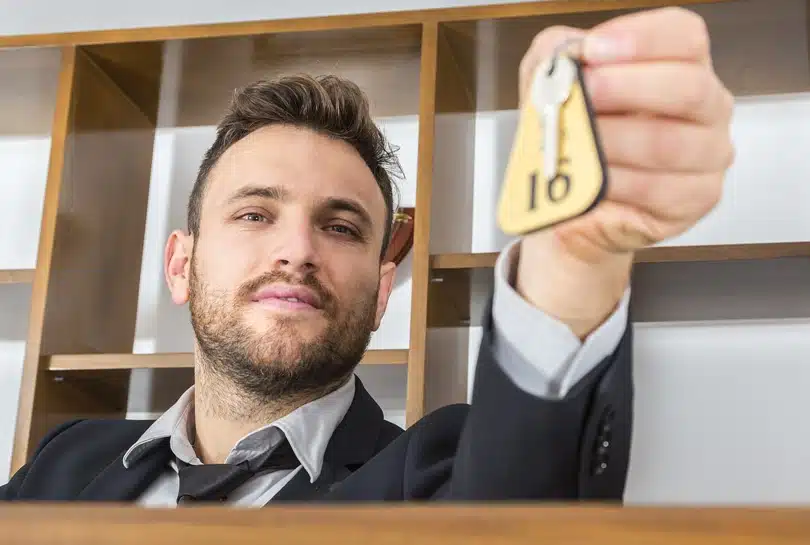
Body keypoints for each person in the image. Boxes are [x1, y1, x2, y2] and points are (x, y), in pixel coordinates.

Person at [0, 7, 733, 504]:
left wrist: (573, 258)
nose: (296, 250)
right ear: (180, 264)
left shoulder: (435, 474)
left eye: (342, 227)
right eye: (256, 213)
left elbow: (524, 498)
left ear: (384, 289)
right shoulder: (66, 459)